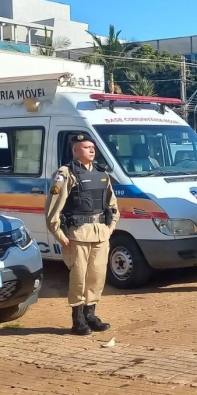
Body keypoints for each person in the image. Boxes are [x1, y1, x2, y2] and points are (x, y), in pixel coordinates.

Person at [45, 132, 119, 336]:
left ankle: (91, 315)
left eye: (93, 147)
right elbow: (53, 208)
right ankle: (77, 320)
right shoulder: (65, 173)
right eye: (87, 147)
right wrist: (60, 235)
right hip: (76, 234)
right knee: (79, 277)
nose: (92, 150)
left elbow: (113, 205)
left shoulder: (101, 172)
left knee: (97, 276)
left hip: (100, 233)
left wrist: (111, 227)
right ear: (75, 150)